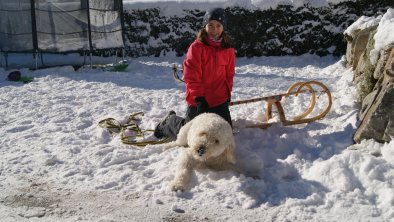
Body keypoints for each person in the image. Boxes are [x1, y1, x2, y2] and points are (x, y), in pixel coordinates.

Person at [154, 7, 236, 141]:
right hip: (199, 100)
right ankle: (169, 122)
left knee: (226, 134)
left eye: (218, 25)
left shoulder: (228, 50)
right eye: (210, 25)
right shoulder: (197, 47)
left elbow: (229, 74)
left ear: (223, 28)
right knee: (189, 137)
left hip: (219, 99)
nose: (214, 29)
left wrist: (227, 94)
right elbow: (191, 74)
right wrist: (199, 98)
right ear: (205, 26)